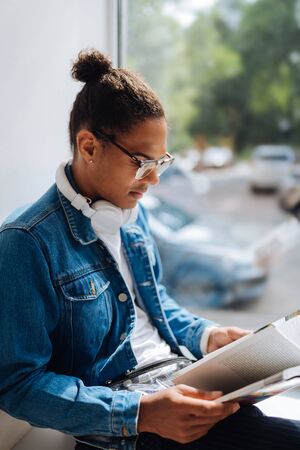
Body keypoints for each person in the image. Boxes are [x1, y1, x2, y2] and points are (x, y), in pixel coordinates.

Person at [0, 50, 299, 450]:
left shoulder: (130, 213)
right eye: (142, 162)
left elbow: (155, 308)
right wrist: (141, 413)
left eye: (161, 162)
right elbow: (18, 385)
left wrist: (208, 337)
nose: (154, 179)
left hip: (182, 380)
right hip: (129, 425)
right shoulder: (25, 243)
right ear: (88, 146)